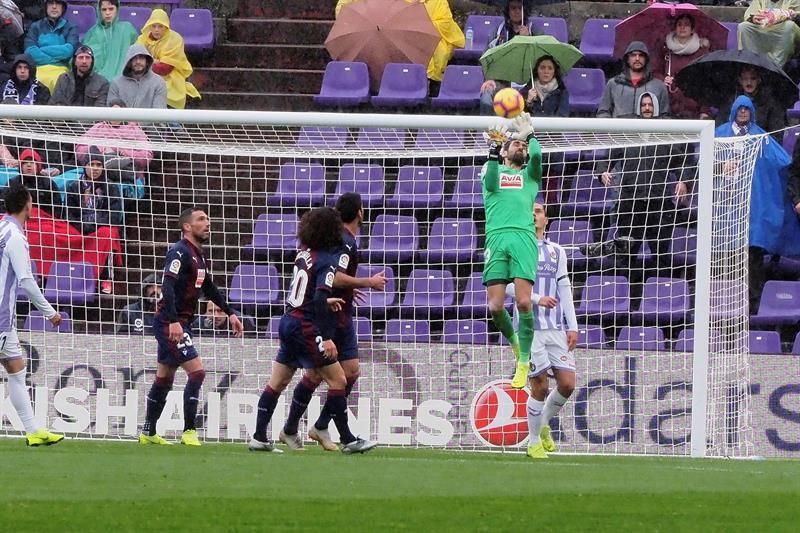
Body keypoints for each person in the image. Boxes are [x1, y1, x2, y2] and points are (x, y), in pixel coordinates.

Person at [249, 207, 378, 455]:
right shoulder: (328, 260)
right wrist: (327, 337)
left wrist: (321, 302)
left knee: (278, 382)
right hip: (307, 326)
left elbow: (305, 290)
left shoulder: (304, 254)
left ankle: (259, 437)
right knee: (338, 379)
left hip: (289, 319)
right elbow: (319, 296)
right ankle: (349, 440)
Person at [277, 192, 387, 451]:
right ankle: (300, 428)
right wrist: (366, 282)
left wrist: (350, 289)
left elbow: (334, 277)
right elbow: (333, 277)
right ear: (360, 212)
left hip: (341, 312)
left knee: (348, 372)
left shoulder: (346, 241)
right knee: (322, 374)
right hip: (332, 316)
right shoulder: (346, 243)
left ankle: (316, 425)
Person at [139, 207, 244, 446]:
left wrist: (230, 313)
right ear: (187, 226)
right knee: (197, 372)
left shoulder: (198, 255)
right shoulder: (178, 252)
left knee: (164, 377)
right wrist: (173, 320)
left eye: (208, 218)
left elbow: (209, 288)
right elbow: (166, 285)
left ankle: (148, 432)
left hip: (180, 322)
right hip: (170, 322)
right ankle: (189, 430)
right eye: (201, 219)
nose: (208, 223)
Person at [598, 92, 692, 292]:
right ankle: (627, 299)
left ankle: (662, 297)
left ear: (656, 107)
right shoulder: (628, 132)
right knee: (626, 254)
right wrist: (603, 172)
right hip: (630, 202)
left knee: (660, 254)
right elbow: (608, 156)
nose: (647, 108)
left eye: (650, 104)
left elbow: (683, 161)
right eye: (644, 105)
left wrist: (683, 180)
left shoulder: (666, 135)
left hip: (658, 203)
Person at [506, 203, 577, 460]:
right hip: (529, 328)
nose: (534, 215)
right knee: (539, 385)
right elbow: (507, 288)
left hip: (555, 327)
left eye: (538, 211)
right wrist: (536, 299)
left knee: (568, 384)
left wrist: (573, 326)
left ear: (546, 219)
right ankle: (533, 442)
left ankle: (543, 423)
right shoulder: (515, 248)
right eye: (530, 212)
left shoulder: (557, 251)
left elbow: (565, 290)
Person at [716, 95, 800, 312]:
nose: (743, 112)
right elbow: (705, 164)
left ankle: (752, 305)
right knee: (729, 261)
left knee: (752, 258)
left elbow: (782, 163)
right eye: (740, 109)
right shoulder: (719, 134)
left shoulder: (761, 137)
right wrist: (721, 166)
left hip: (753, 211)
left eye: (747, 109)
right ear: (734, 110)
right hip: (726, 211)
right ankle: (727, 306)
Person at [0, 182, 65, 446]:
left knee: (16, 368)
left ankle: (33, 431)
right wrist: (49, 313)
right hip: (1, 318)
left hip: (6, 320)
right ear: (28, 205)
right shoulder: (15, 236)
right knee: (15, 369)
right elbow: (26, 280)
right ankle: (33, 430)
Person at [482, 112, 542, 389]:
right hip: (496, 238)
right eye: (515, 143)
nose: (521, 147)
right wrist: (493, 150)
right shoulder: (491, 169)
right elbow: (492, 180)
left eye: (523, 146)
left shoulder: (530, 177)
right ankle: (516, 343)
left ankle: (524, 361)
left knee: (523, 302)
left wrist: (530, 134)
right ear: (505, 151)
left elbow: (538, 157)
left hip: (522, 238)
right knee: (494, 306)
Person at [649, 13, 711, 119]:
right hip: (668, 108)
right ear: (674, 28)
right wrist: (663, 79)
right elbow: (654, 72)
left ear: (692, 29)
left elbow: (707, 83)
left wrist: (704, 111)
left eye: (686, 24)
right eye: (679, 24)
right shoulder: (664, 49)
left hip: (693, 108)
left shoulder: (702, 52)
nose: (682, 27)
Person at [136, 9, 199, 109]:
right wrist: (154, 62)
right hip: (145, 77)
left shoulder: (175, 39)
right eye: (153, 26)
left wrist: (148, 62)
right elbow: (136, 63)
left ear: (166, 27)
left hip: (171, 77)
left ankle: (173, 123)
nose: (156, 29)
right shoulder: (142, 39)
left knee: (164, 91)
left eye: (160, 26)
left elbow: (164, 69)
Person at [479, 0, 533, 115]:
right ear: (508, 11)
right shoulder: (497, 33)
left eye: (520, 8)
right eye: (513, 8)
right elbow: (486, 57)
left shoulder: (535, 31)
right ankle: (490, 131)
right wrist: (489, 78)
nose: (517, 11)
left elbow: (541, 58)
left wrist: (528, 40)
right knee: (486, 99)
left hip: (527, 82)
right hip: (501, 81)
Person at [597, 41, 670, 118]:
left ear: (646, 59)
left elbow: (665, 116)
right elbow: (603, 112)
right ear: (627, 59)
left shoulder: (658, 86)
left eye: (641, 55)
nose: (637, 59)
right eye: (633, 55)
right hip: (619, 129)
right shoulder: (613, 84)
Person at [713, 65, 785, 140]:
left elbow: (776, 134)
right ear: (740, 80)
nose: (749, 82)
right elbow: (719, 125)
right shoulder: (731, 101)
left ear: (759, 80)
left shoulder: (771, 103)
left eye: (753, 78)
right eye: (745, 79)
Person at [23, 0, 78, 92]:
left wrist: (41, 50)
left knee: (61, 81)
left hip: (61, 69)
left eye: (58, 3)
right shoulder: (35, 26)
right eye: (51, 3)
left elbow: (68, 51)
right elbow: (29, 51)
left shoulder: (71, 27)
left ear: (63, 8)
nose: (54, 7)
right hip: (38, 68)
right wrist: (56, 59)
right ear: (45, 6)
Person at [82, 0, 139, 81]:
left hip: (124, 77)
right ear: (99, 11)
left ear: (117, 10)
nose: (107, 13)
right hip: (97, 79)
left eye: (111, 9)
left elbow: (138, 49)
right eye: (104, 9)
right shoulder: (94, 32)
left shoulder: (127, 28)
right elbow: (85, 54)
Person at [738, 0, 800, 67]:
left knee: (789, 26)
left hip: (784, 30)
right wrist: (754, 18)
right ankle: (752, 65)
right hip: (764, 29)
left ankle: (776, 67)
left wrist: (792, 15)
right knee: (744, 26)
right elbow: (749, 15)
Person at [108, 44, 167, 108]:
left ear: (147, 61)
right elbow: (110, 111)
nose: (138, 61)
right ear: (129, 62)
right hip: (123, 118)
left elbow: (159, 112)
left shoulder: (158, 82)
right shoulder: (116, 83)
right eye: (134, 58)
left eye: (141, 58)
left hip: (150, 118)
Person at [7, 148, 62, 218]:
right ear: (20, 166)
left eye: (32, 162)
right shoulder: (13, 183)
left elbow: (56, 209)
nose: (29, 165)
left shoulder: (48, 184)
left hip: (44, 221)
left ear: (38, 166)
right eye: (25, 162)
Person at [192, 300, 257, 337]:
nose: (215, 316)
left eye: (220, 311)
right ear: (206, 312)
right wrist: (208, 332)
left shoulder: (242, 321)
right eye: (211, 311)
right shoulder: (198, 324)